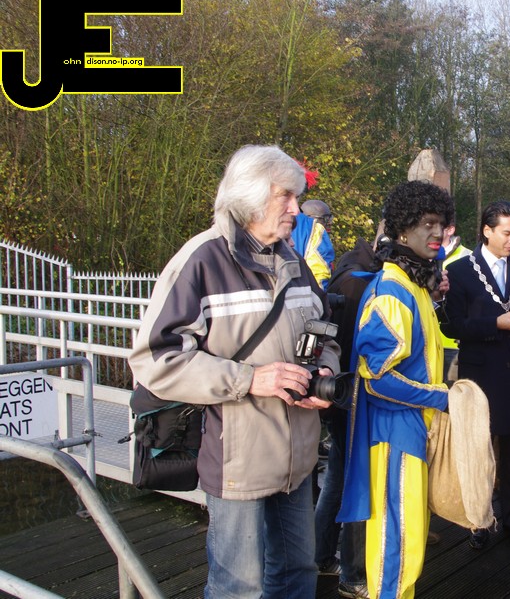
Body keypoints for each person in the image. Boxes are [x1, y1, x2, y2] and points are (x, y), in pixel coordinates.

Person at [129, 144, 339, 598]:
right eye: (285, 196)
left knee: (298, 574)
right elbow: (155, 359)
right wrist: (250, 379)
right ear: (250, 196)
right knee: (238, 587)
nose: (296, 209)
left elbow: (327, 332)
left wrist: (324, 368)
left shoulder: (293, 261)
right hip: (236, 462)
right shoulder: (201, 260)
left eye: (297, 197)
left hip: (299, 460)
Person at [338, 180, 454, 599]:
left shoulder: (413, 285)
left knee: (408, 544)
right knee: (396, 547)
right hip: (393, 437)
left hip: (412, 431)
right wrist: (443, 398)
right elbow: (377, 378)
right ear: (403, 230)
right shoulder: (392, 291)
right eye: (428, 224)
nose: (438, 233)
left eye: (441, 224)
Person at [441, 200, 510, 549]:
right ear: (487, 231)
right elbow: (452, 325)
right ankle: (479, 522)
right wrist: (494, 324)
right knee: (479, 454)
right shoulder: (459, 271)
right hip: (481, 379)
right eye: (507, 233)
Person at [314, 234, 382, 599]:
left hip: (340, 392)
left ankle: (322, 555)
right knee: (355, 482)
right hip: (354, 395)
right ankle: (353, 574)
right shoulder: (362, 281)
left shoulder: (350, 269)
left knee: (338, 479)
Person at [439, 218, 470, 385]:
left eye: (437, 226)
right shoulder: (422, 255)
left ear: (450, 230)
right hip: (427, 342)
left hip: (453, 345)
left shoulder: (468, 257)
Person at [292, 198, 336, 289]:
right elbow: (319, 276)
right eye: (325, 219)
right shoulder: (315, 230)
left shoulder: (285, 226)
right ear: (310, 217)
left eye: (330, 218)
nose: (329, 223)